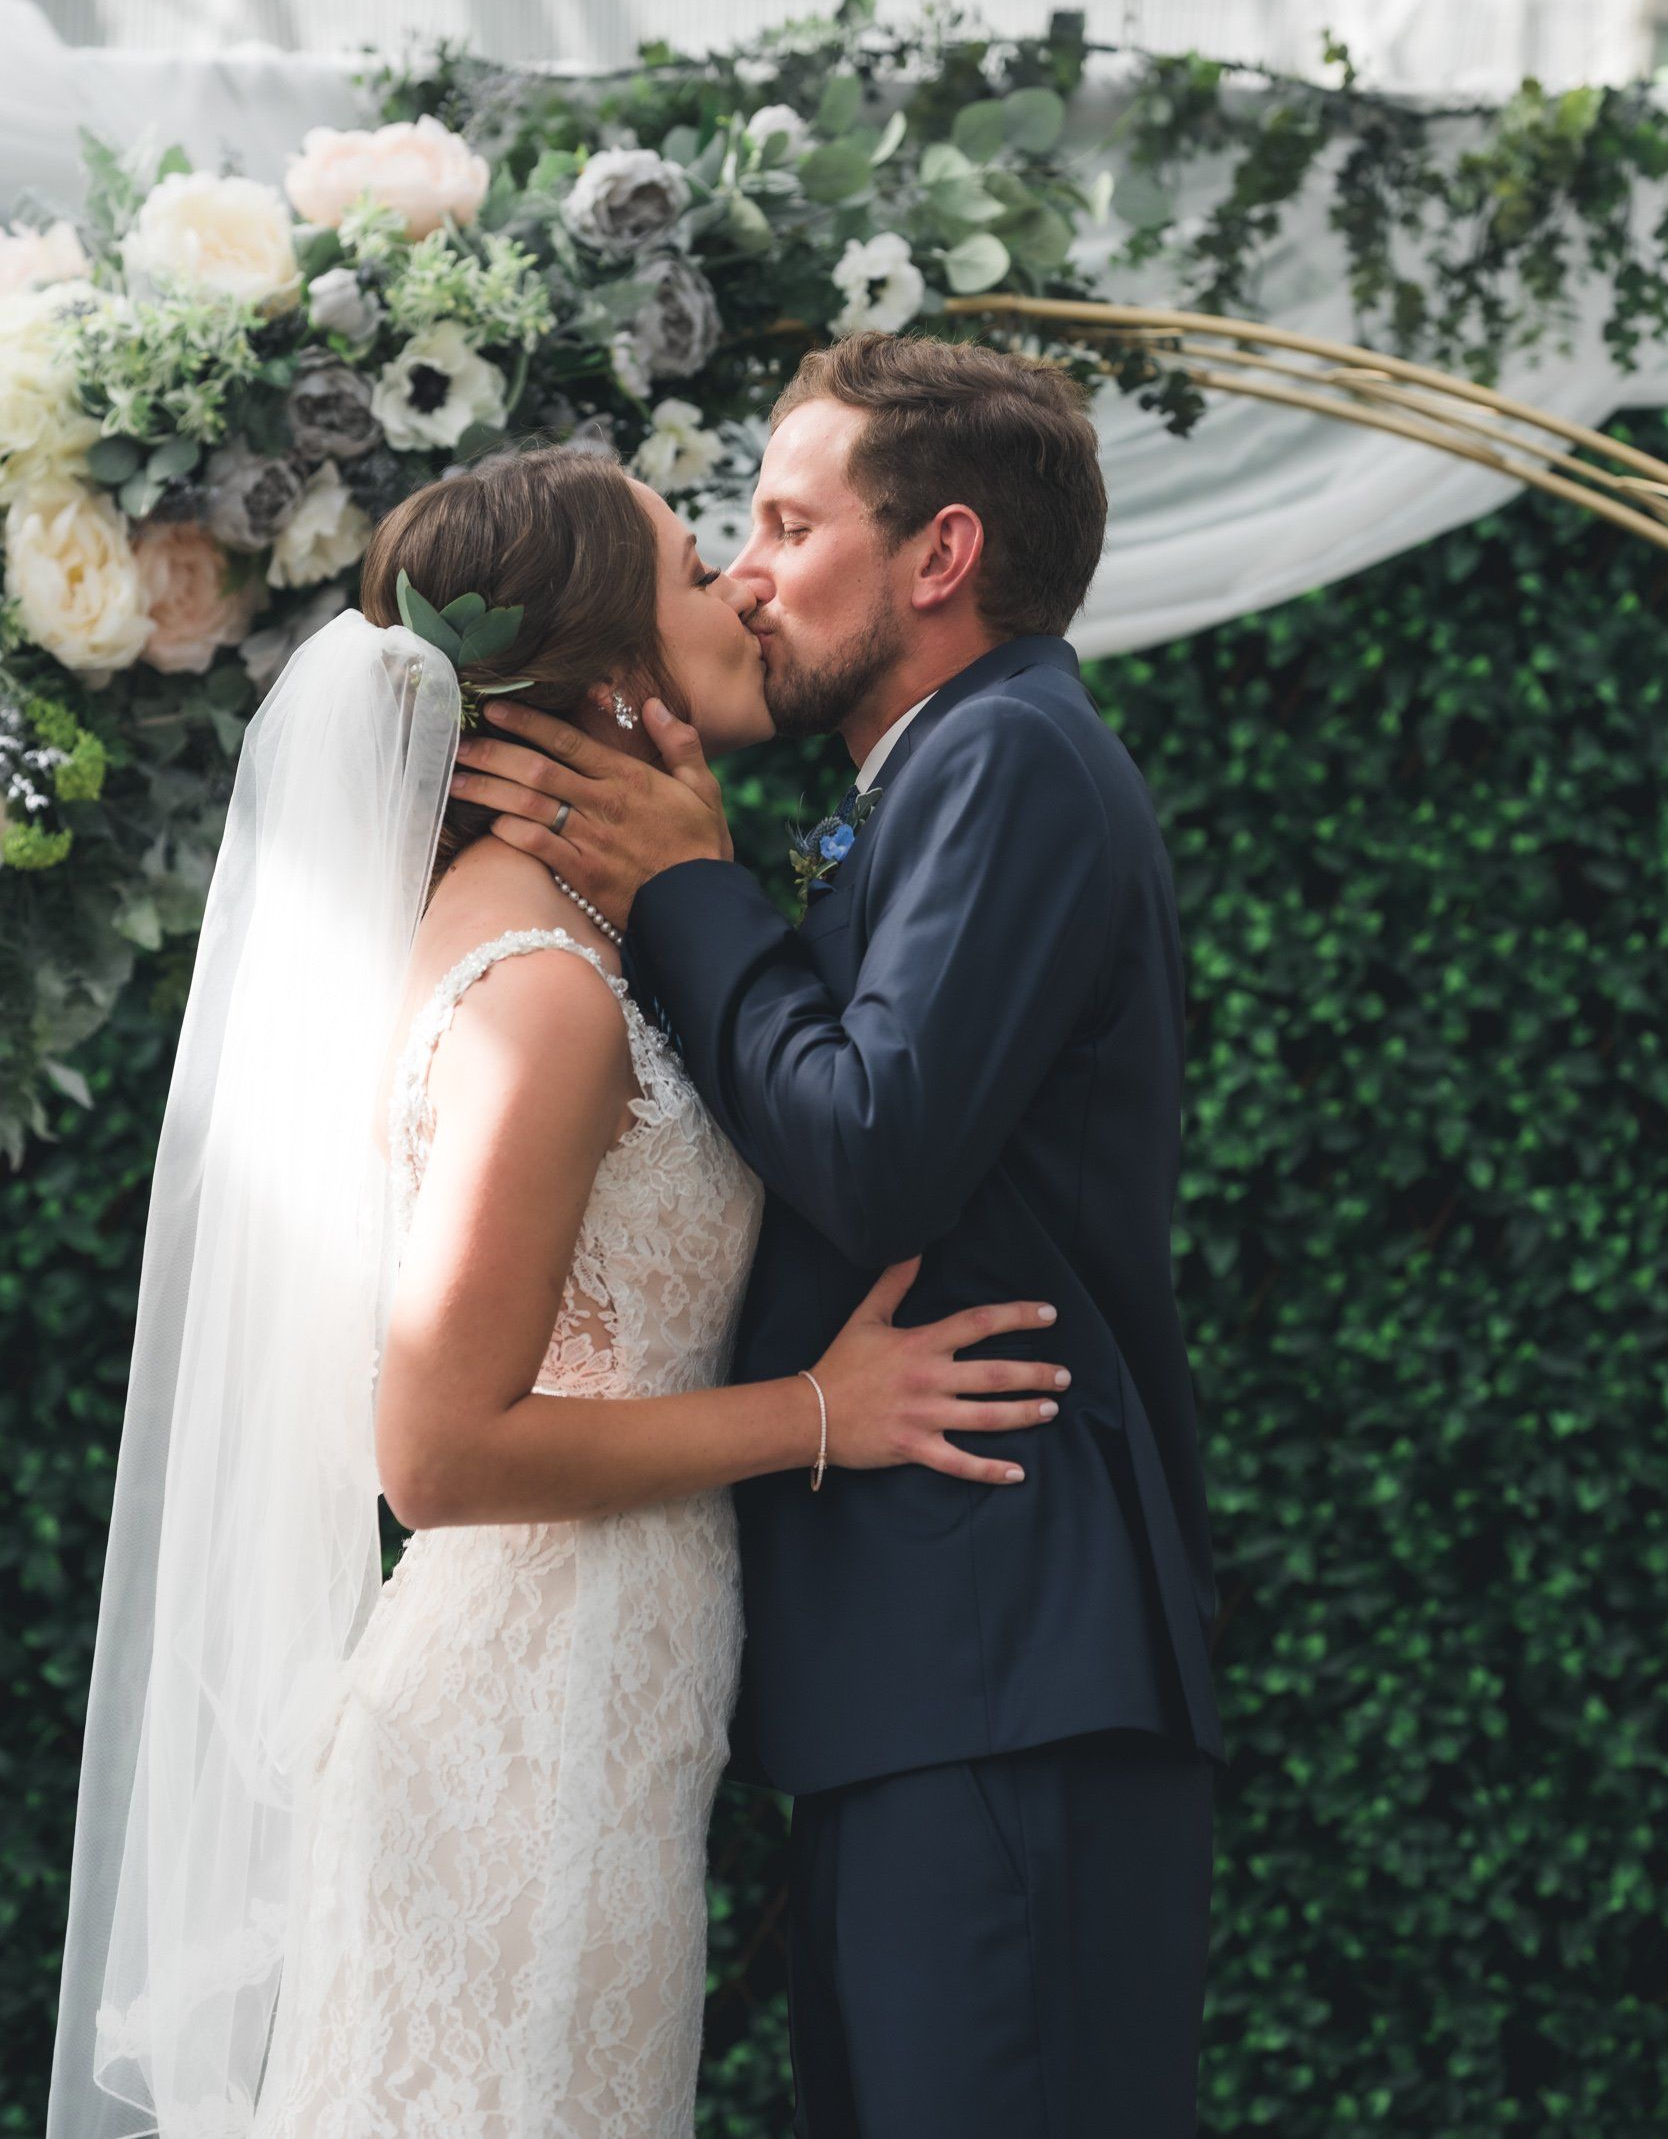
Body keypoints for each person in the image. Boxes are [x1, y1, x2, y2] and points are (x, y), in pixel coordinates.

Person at [45, 442, 1067, 2139]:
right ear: (612, 680)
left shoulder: (582, 945)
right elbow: (436, 1451)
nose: (743, 583)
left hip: (598, 1732)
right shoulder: (544, 995)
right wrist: (822, 1414)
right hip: (520, 1740)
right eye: (692, 566)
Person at [452, 333, 1227, 2139]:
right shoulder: (891, 796)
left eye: (791, 526)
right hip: (930, 1666)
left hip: (1004, 1656)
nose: (746, 572)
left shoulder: (1010, 757)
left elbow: (871, 1144)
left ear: (939, 556)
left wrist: (685, 890)